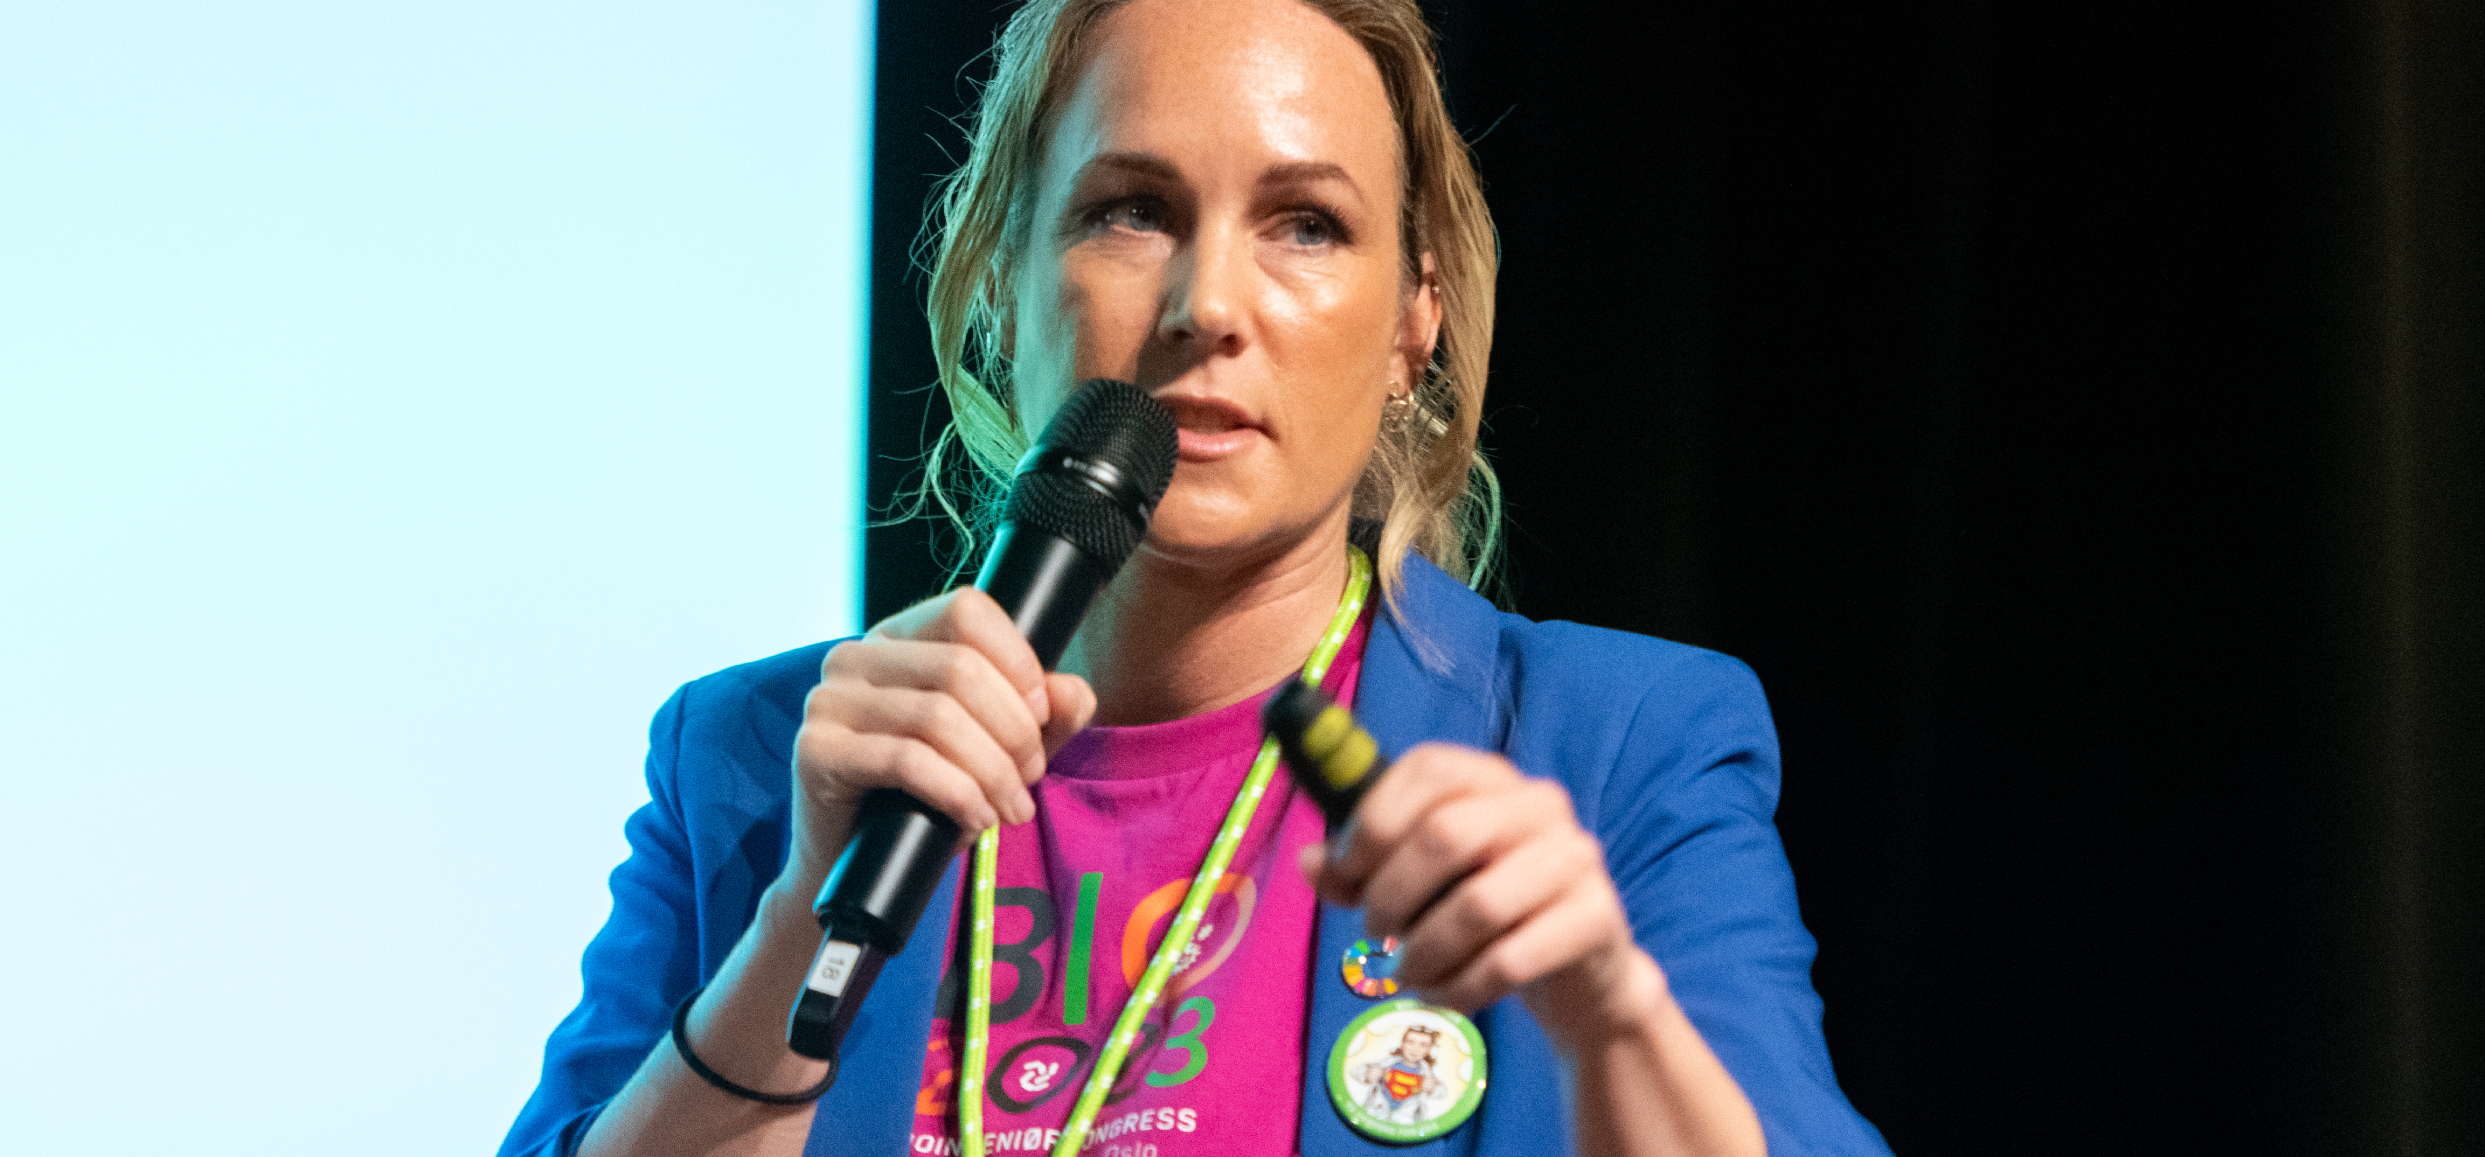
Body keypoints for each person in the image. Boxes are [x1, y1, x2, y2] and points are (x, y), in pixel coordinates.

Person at [499, 0, 1886, 1154]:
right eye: (1129, 210)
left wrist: (1609, 1013)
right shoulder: (752, 759)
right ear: (997, 281)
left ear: (1416, 320)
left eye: (1306, 225)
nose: (1208, 305)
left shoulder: (1615, 744)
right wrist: (801, 916)